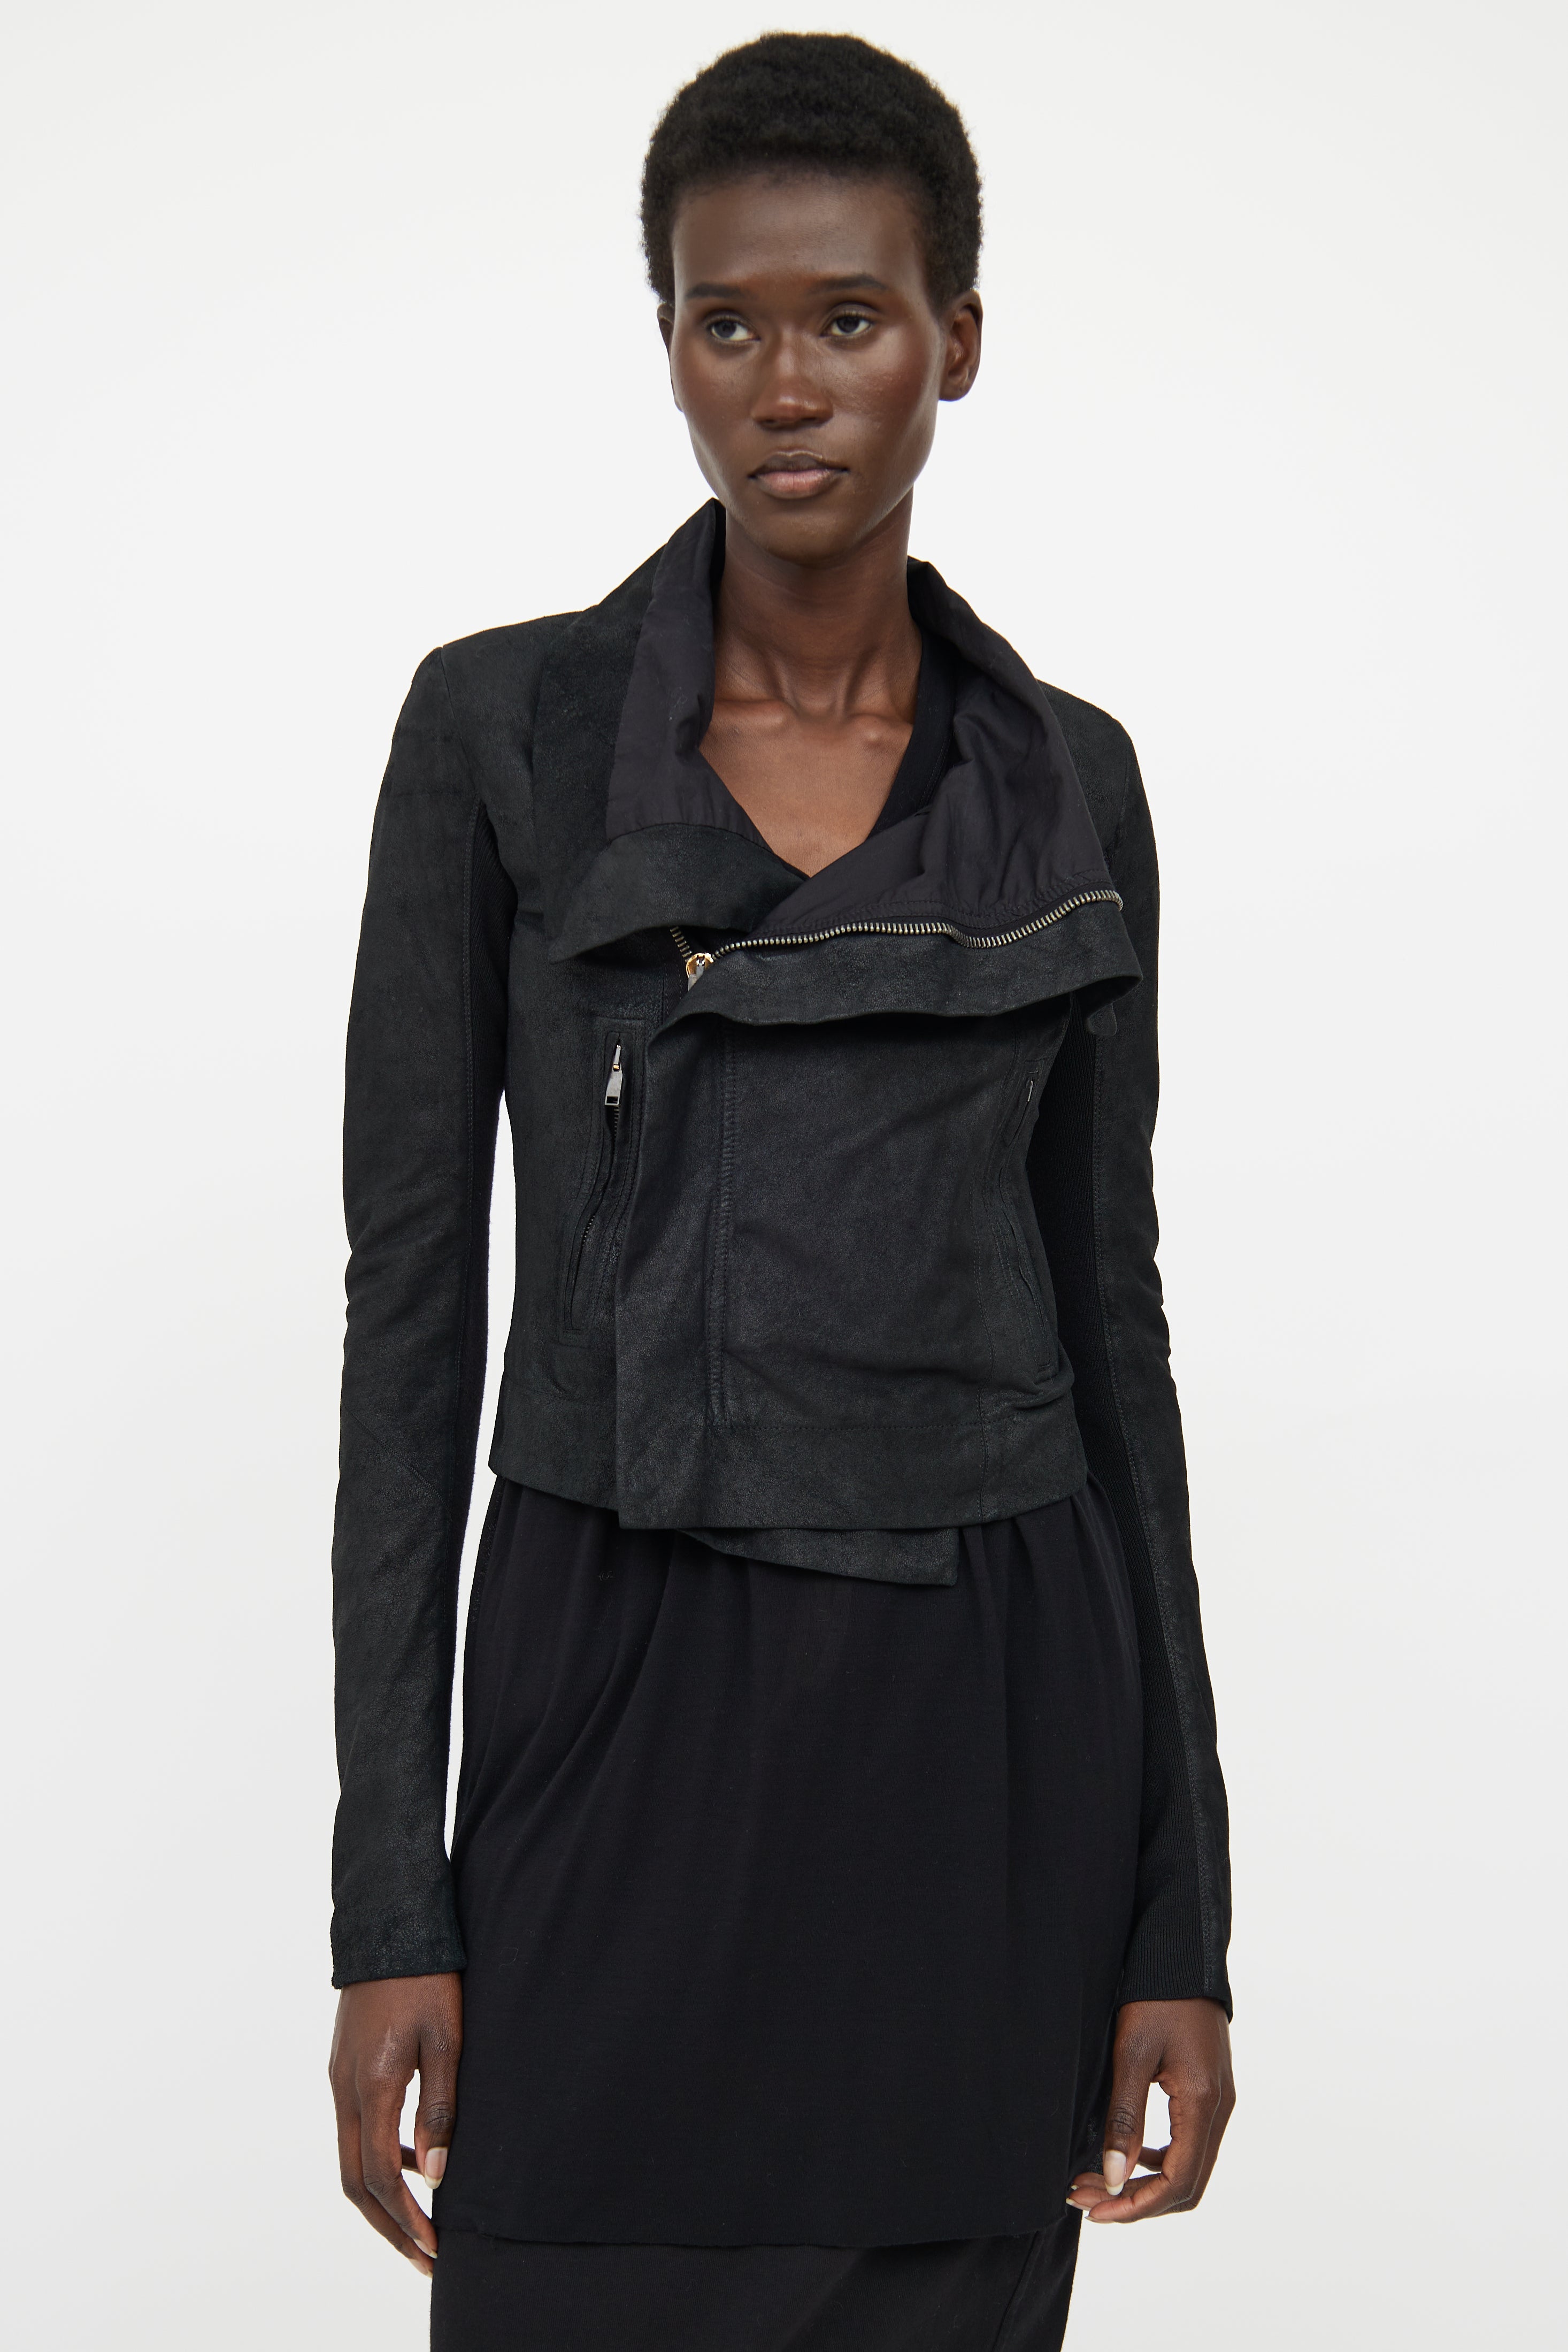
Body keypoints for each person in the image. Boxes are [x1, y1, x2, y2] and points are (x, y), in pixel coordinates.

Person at [327, 33, 1234, 2350]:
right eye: (724, 323)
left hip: (980, 1711)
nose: (786, 384)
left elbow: (1113, 1334)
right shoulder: (502, 735)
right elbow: (410, 1331)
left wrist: (1177, 1921)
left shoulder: (1069, 784)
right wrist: (388, 1905)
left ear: (955, 341)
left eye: (849, 317)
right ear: (665, 342)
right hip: (610, 1678)